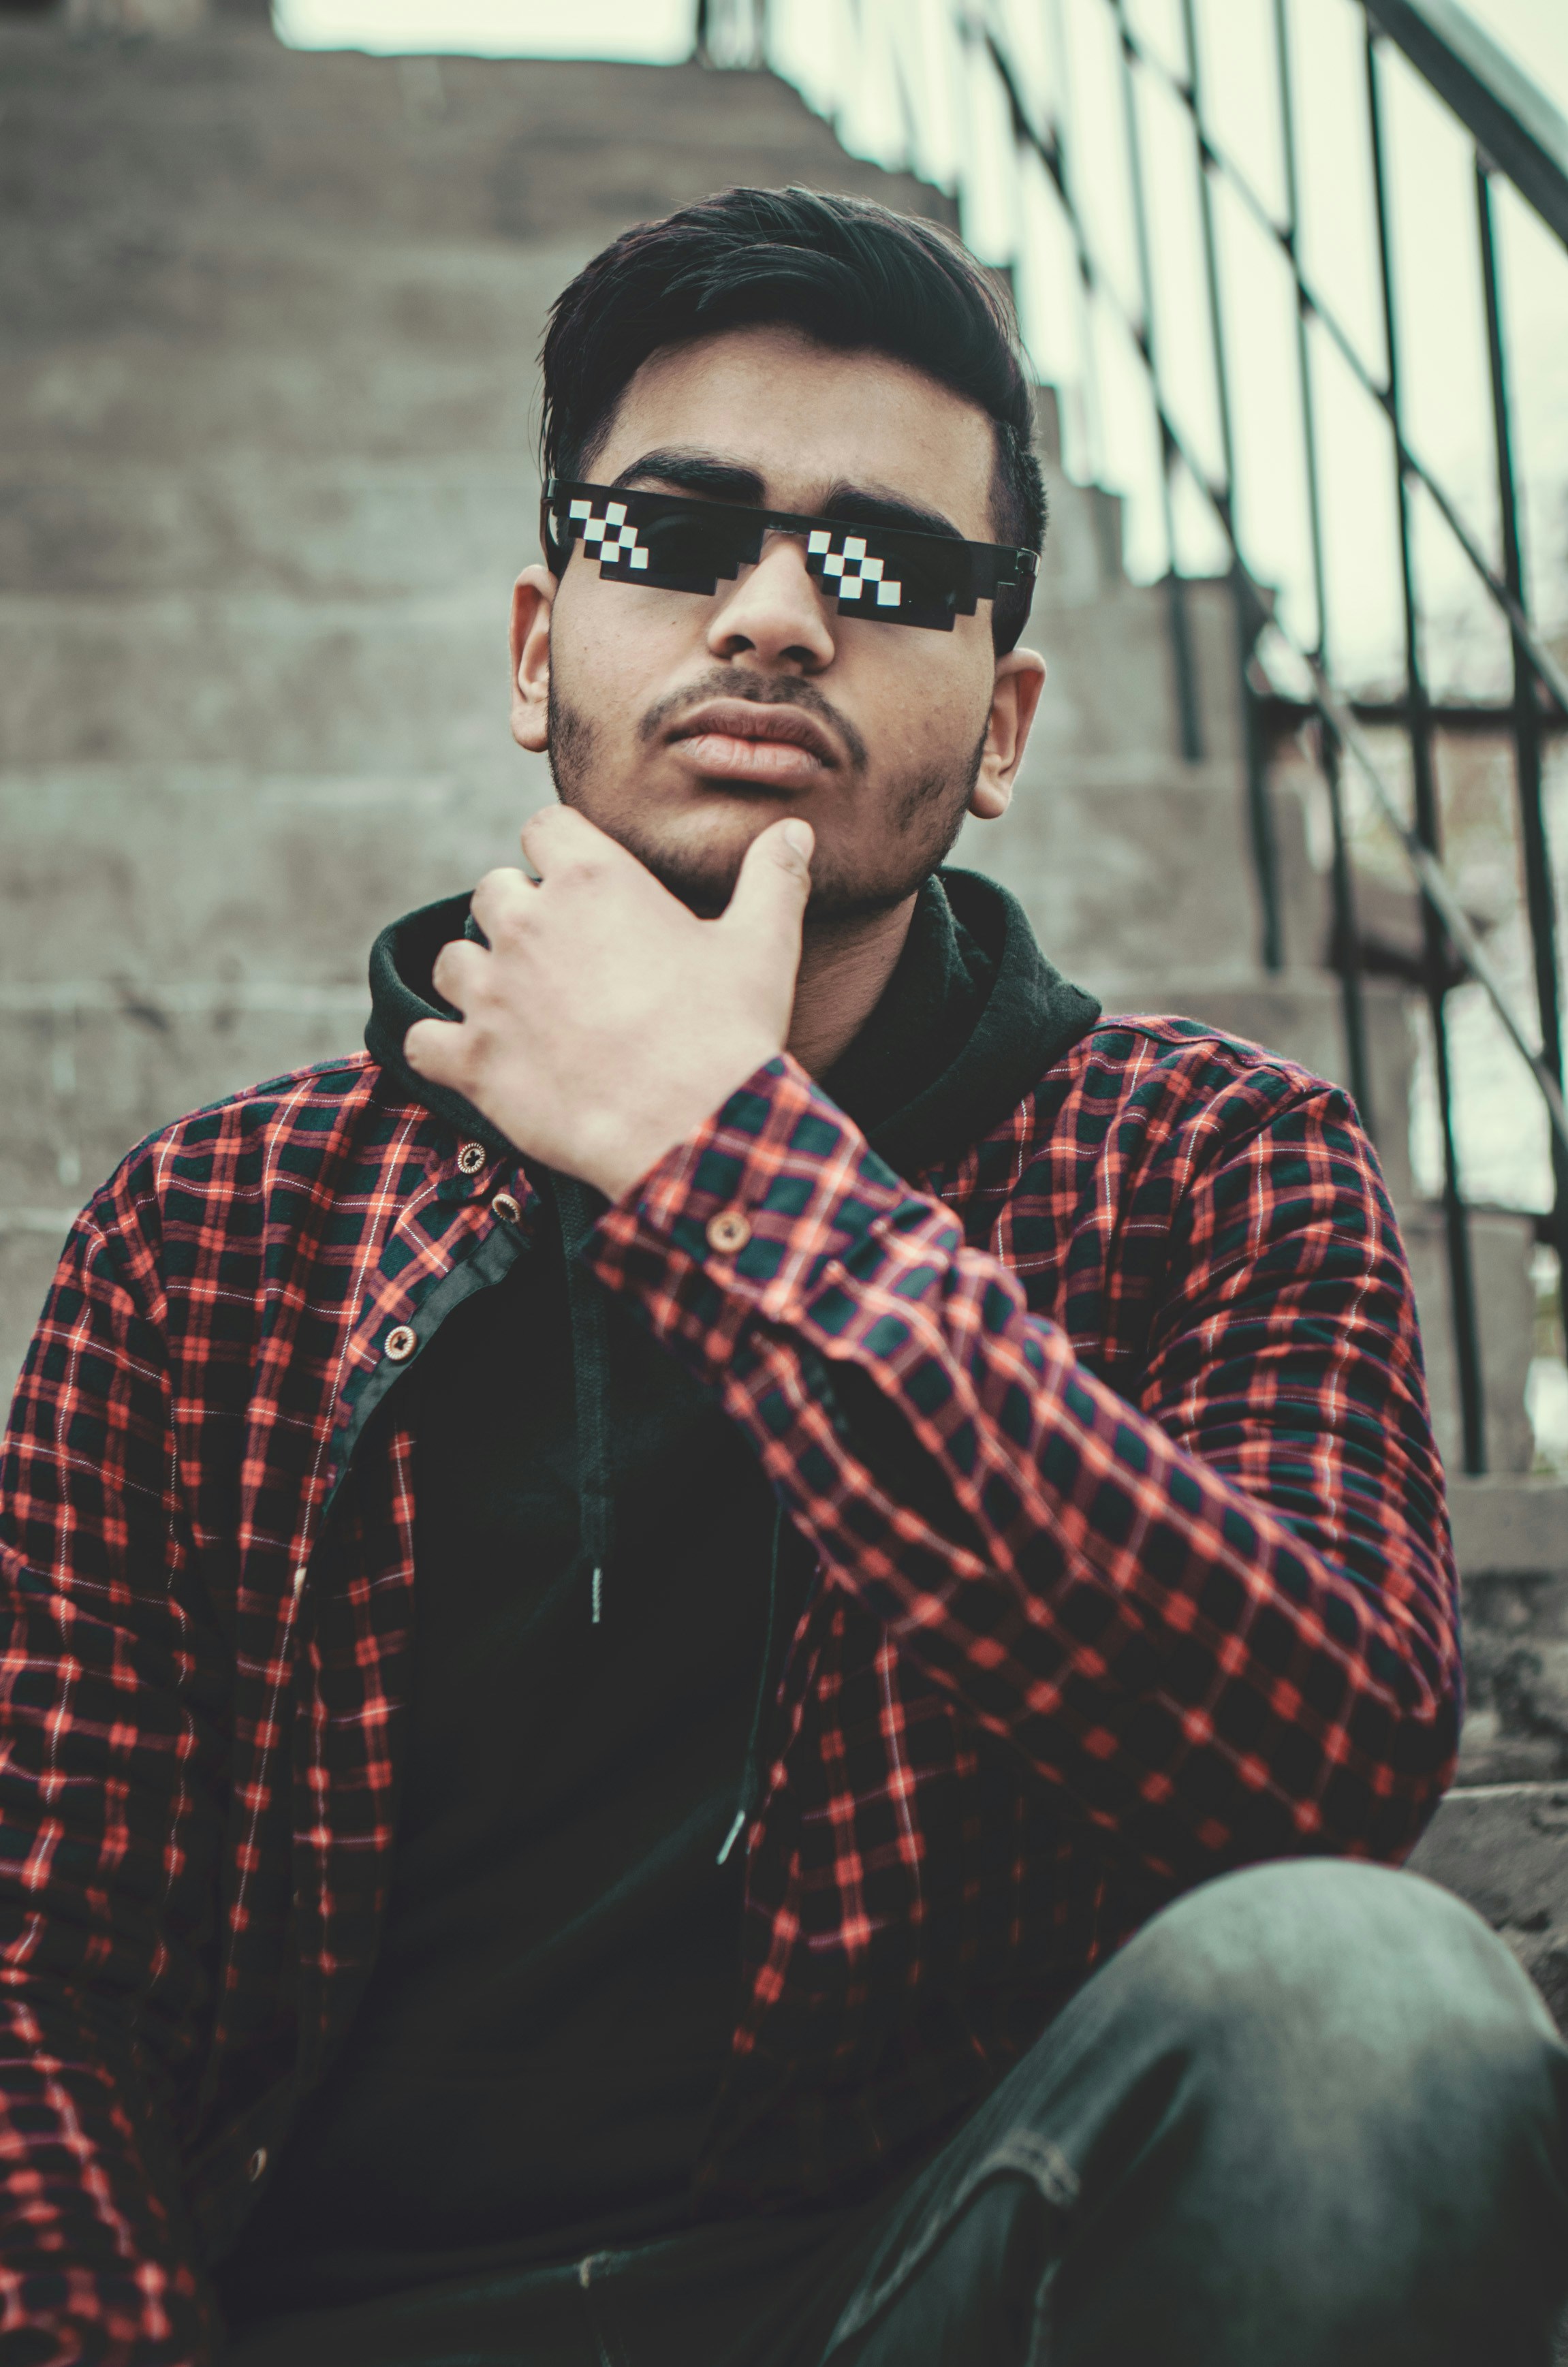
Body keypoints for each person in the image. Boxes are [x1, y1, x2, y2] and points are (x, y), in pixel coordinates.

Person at [0, 184, 1563, 2367]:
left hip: (907, 2290)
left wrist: (716, 1160)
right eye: (677, 531)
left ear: (1004, 724)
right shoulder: (208, 1243)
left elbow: (1319, 1746)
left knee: (1370, 2005)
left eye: (887, 570)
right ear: (538, 641)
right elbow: (45, 1982)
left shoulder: (1214, 1158)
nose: (773, 617)